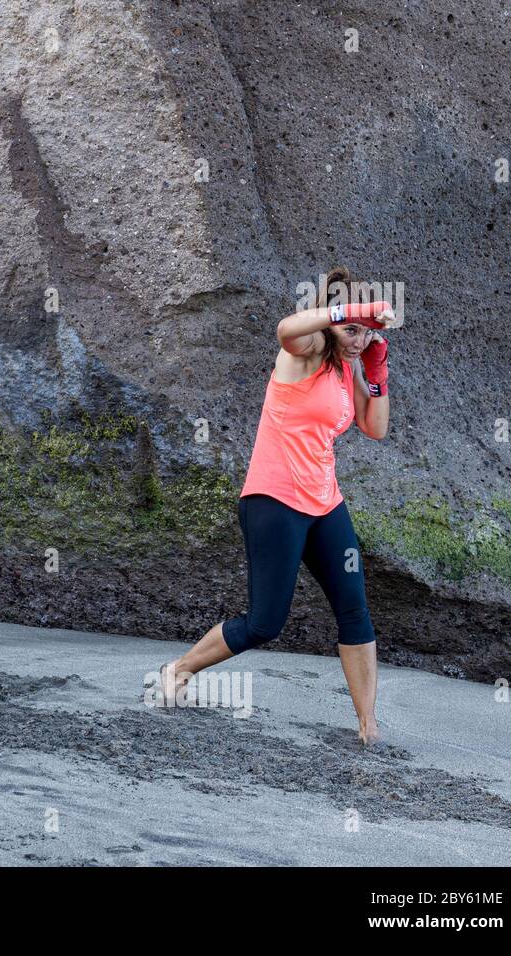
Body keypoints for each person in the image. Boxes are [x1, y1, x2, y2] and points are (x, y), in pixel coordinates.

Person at [159, 268, 396, 745]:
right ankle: (180, 669)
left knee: (355, 611)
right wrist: (350, 315)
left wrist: (376, 373)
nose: (357, 339)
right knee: (265, 623)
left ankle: (369, 727)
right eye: (350, 330)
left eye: (365, 332)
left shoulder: (348, 366)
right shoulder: (304, 352)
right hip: (275, 500)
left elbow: (376, 427)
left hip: (326, 502)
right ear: (331, 320)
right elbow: (285, 328)